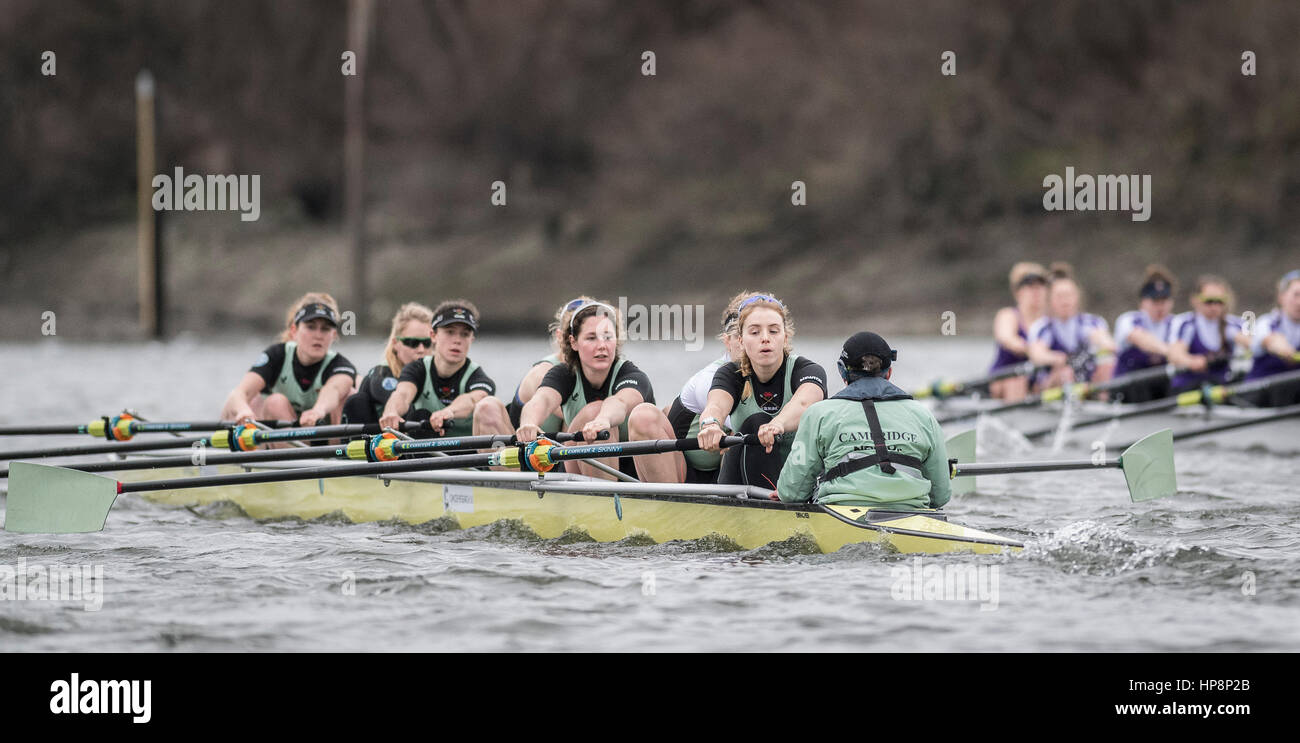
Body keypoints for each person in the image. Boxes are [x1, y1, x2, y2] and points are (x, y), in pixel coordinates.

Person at [775, 332, 950, 510]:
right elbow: (941, 495)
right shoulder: (924, 415)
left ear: (842, 371)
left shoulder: (818, 414)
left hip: (840, 516)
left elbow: (791, 494)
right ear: (889, 373)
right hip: (913, 516)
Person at [696, 292, 827, 488]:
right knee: (755, 425)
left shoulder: (806, 370)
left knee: (760, 423)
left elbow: (805, 403)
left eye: (773, 331)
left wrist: (777, 424)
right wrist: (710, 425)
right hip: (746, 477)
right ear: (740, 341)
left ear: (785, 337)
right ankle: (731, 507)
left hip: (801, 484)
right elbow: (715, 406)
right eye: (755, 332)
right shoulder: (731, 374)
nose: (765, 339)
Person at [514, 299, 656, 479]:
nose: (602, 345)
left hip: (636, 470)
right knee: (591, 416)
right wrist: (529, 423)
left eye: (607, 337)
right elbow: (541, 400)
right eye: (591, 338)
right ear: (573, 342)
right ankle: (600, 501)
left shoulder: (631, 375)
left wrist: (603, 419)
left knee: (595, 412)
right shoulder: (563, 374)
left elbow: (619, 402)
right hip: (582, 463)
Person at [627, 299, 743, 484]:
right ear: (728, 341)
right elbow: (732, 419)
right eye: (742, 334)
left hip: (728, 469)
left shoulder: (790, 370)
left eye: (769, 330)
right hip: (684, 472)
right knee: (644, 415)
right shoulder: (711, 377)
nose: (754, 341)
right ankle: (668, 506)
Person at [220, 292, 357, 427]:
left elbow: (334, 389)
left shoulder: (341, 366)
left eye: (325, 329)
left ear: (334, 335)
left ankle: (337, 449)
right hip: (283, 431)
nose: (318, 335)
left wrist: (318, 410)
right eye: (311, 327)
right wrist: (244, 411)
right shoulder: (276, 355)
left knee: (350, 394)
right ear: (293, 331)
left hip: (322, 437)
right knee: (272, 402)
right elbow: (239, 393)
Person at [378, 300, 496, 438]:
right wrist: (391, 412)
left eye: (464, 334)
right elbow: (402, 394)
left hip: (468, 452)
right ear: (433, 336)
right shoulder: (417, 369)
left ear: (472, 339)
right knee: (420, 415)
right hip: (430, 450)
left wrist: (449, 411)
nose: (457, 340)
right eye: (450, 332)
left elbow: (472, 399)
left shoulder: (478, 377)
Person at [501, 297, 593, 434]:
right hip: (523, 446)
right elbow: (577, 413)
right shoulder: (544, 372)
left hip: (559, 446)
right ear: (561, 336)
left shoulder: (596, 371)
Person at [1026, 263, 1117, 391]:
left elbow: (1105, 341)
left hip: (1086, 381)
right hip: (1052, 383)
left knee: (1108, 365)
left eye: (1069, 295)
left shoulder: (1092, 322)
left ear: (1077, 297)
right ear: (1050, 300)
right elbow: (1037, 354)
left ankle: (1105, 401)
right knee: (1066, 372)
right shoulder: (1043, 327)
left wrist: (1106, 345)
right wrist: (1057, 358)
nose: (1065, 301)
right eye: (1060, 296)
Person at [341, 302, 434, 424]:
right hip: (374, 438)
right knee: (356, 401)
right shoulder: (382, 374)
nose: (421, 350)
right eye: (412, 342)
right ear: (395, 344)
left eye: (427, 343)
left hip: (412, 436)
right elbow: (403, 405)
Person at [1166, 276, 1244, 394]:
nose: (1214, 307)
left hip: (1220, 388)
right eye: (1209, 301)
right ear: (1195, 300)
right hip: (1188, 387)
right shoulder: (1185, 323)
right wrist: (1191, 361)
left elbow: (1254, 343)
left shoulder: (1234, 325)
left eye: (1219, 301)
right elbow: (1175, 354)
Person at [1111, 265, 1177, 402]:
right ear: (1142, 302)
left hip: (1159, 390)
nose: (1160, 307)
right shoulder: (1128, 320)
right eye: (1155, 301)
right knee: (1140, 386)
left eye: (1164, 300)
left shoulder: (1177, 324)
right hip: (1127, 391)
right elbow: (1141, 339)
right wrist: (1170, 352)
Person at [988, 262, 1048, 401]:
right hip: (1005, 378)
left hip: (1036, 380)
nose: (1036, 292)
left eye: (1040, 287)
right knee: (1017, 379)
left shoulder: (1049, 321)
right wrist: (1032, 350)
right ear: (1018, 292)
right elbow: (1007, 338)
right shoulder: (1008, 315)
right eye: (1031, 287)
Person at [1243, 269, 1300, 406]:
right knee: (1285, 388)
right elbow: (1274, 342)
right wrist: (1287, 352)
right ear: (1281, 297)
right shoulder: (1266, 323)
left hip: (1292, 395)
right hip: (1260, 396)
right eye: (1296, 295)